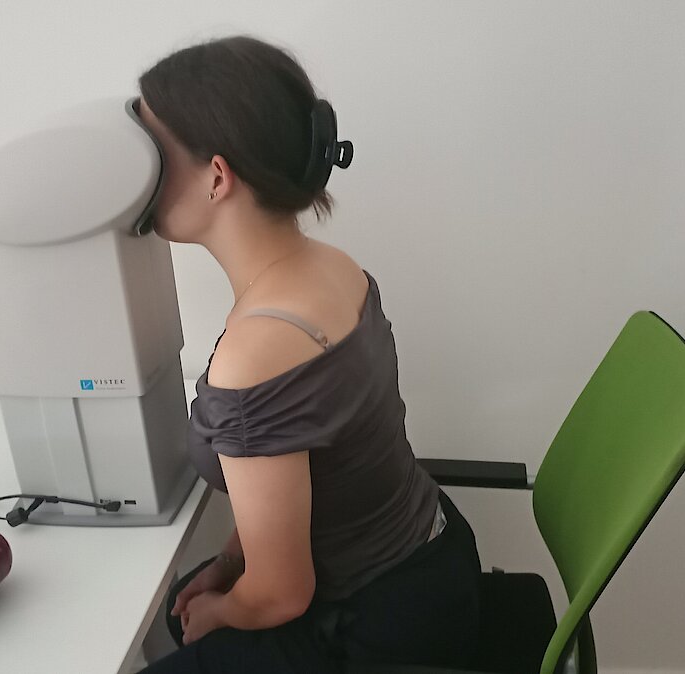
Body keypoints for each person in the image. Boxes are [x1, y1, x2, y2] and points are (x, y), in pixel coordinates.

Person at [136, 36, 481, 674]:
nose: (143, 177)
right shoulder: (332, 268)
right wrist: (232, 561)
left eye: (154, 154)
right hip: (435, 555)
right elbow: (312, 474)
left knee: (181, 626)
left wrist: (221, 612)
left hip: (377, 627)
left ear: (217, 177)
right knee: (180, 604)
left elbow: (280, 595)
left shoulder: (257, 352)